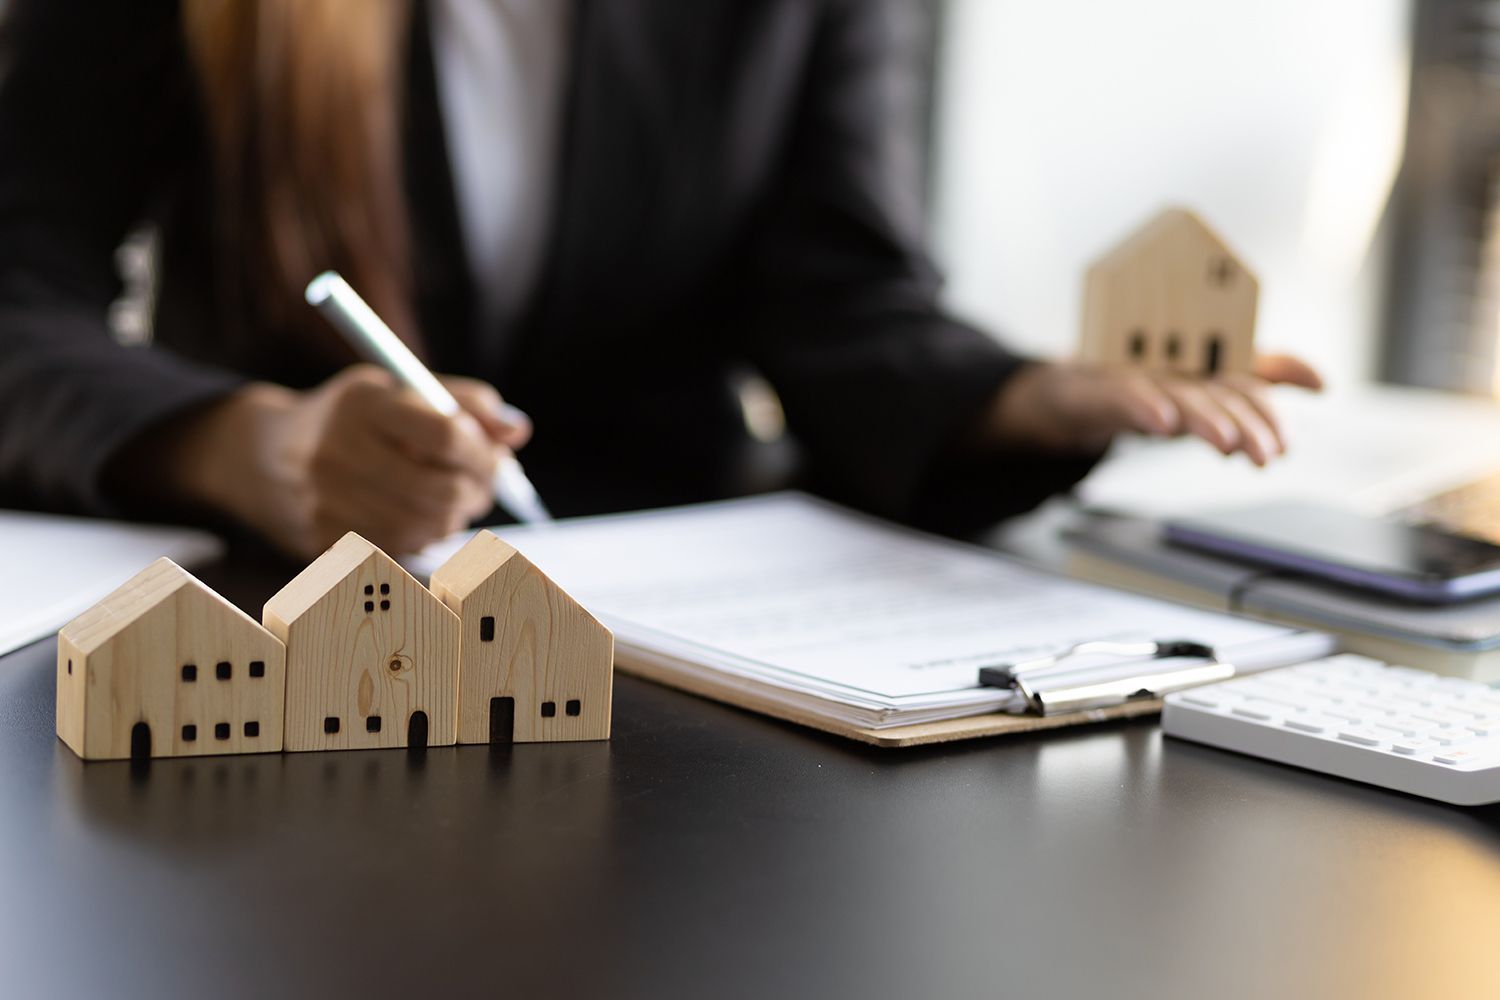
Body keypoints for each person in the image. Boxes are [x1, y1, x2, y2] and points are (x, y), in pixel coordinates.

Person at [0, 0, 1319, 560]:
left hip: (671, 642)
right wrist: (259, 451)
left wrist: (1026, 397)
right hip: (278, 621)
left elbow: (840, 299)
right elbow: (16, 294)